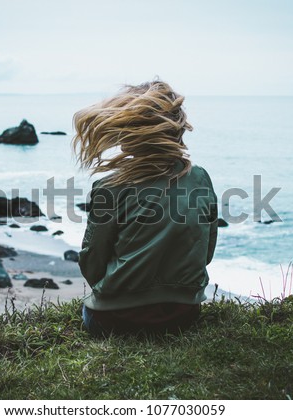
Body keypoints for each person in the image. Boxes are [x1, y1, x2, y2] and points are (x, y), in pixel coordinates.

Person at [72, 80, 218, 336]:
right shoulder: (200, 178)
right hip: (183, 315)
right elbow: (206, 250)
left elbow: (92, 260)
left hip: (113, 319)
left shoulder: (110, 186)